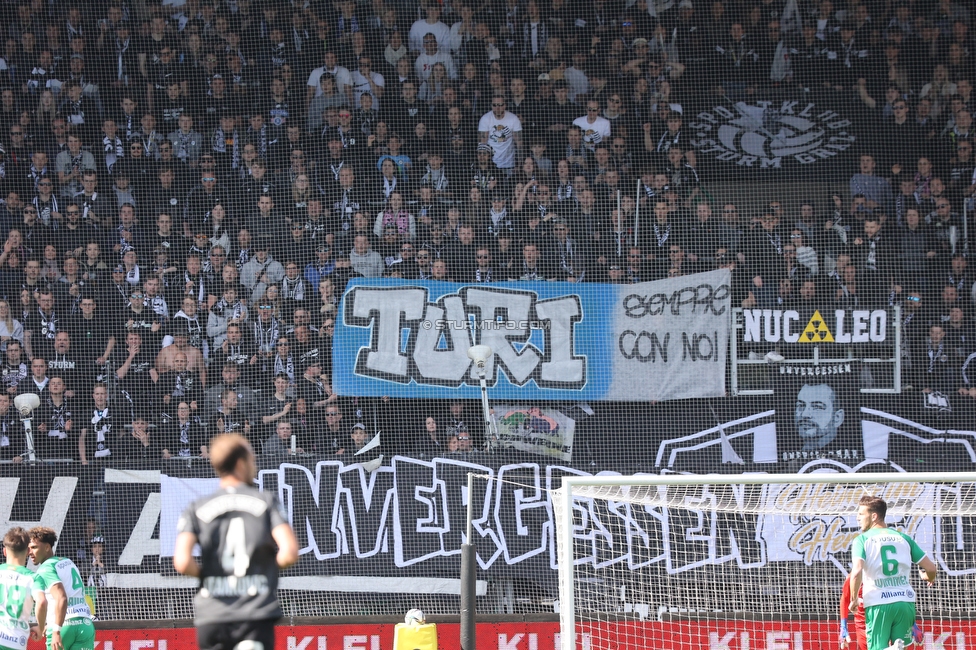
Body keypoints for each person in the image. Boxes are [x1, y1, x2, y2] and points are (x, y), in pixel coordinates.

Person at [173, 434, 299, 650]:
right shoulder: (266, 501)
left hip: (212, 614)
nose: (254, 463)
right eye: (252, 458)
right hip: (254, 613)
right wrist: (260, 570)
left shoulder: (196, 507)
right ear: (241, 463)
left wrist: (211, 575)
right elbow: (289, 552)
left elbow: (182, 562)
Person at [849, 495, 937, 650]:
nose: (858, 518)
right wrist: (928, 577)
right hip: (904, 602)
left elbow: (856, 572)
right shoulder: (903, 538)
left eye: (861, 514)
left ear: (874, 516)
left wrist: (854, 599)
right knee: (903, 647)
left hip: (878, 603)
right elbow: (931, 568)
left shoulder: (862, 540)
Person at [28, 526, 96, 650]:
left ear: (47, 547)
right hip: (85, 624)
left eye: (34, 547)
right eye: (29, 548)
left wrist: (56, 631)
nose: (30, 552)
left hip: (63, 627)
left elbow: (61, 598)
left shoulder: (46, 568)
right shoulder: (68, 562)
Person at [0, 527, 45, 650]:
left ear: (4, 551)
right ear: (28, 551)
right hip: (15, 641)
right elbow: (41, 602)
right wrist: (40, 628)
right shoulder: (34, 578)